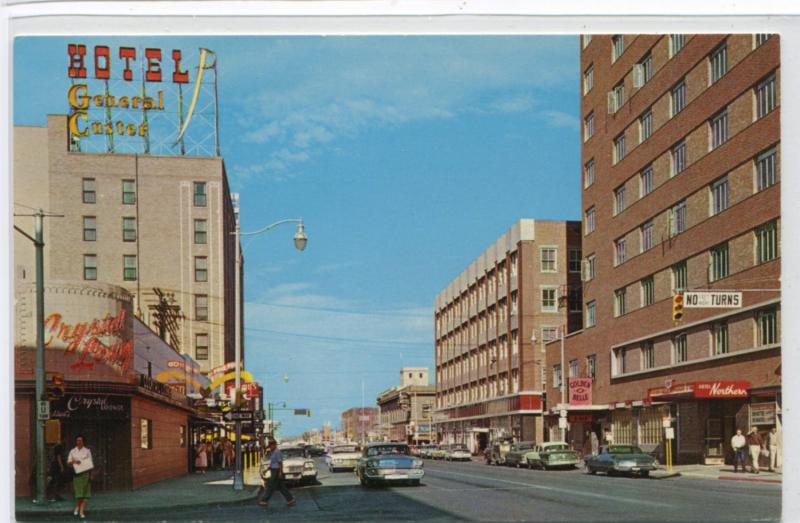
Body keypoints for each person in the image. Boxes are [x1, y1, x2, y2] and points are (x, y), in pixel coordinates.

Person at [258, 440, 295, 509]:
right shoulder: (273, 452)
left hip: (276, 471)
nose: (270, 447)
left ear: (274, 445)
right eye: (269, 446)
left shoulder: (277, 452)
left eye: (271, 445)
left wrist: (280, 472)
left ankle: (264, 500)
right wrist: (267, 469)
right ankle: (290, 499)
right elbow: (273, 463)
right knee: (281, 487)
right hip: (273, 470)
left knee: (270, 485)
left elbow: (280, 463)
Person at [67, 436, 92, 519]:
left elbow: (90, 463)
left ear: (83, 441)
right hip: (77, 474)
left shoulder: (87, 451)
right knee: (79, 494)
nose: (79, 442)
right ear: (75, 441)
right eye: (77, 440)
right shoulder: (72, 451)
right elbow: (68, 462)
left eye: (81, 440)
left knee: (85, 494)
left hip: (85, 474)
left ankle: (81, 510)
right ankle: (78, 507)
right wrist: (74, 461)